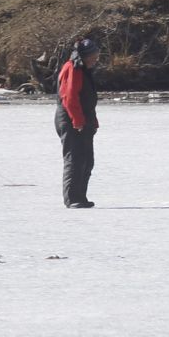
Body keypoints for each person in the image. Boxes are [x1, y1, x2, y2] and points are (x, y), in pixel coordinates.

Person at [55, 37, 101, 209]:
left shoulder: (83, 69)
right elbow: (70, 97)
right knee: (75, 159)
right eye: (94, 57)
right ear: (86, 55)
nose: (96, 60)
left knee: (87, 160)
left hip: (83, 119)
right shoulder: (73, 68)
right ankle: (72, 198)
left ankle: (80, 196)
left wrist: (92, 122)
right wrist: (78, 121)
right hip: (70, 119)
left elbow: (87, 100)